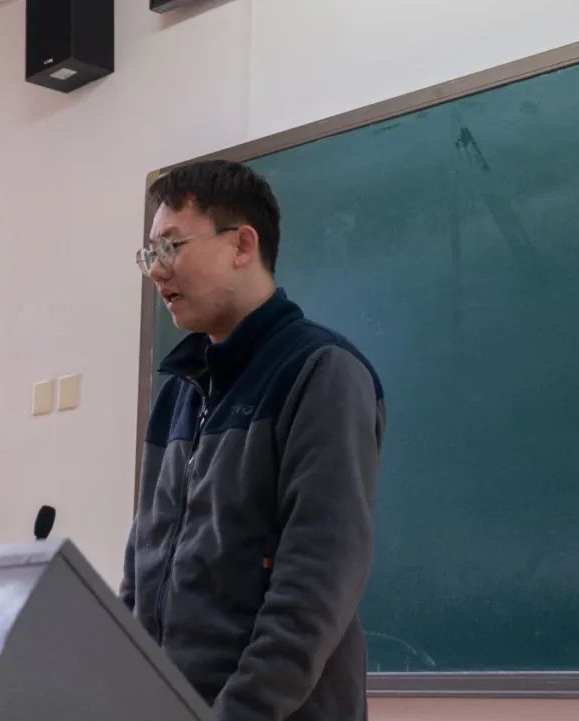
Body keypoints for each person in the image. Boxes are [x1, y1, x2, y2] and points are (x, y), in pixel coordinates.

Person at [120, 159, 385, 721]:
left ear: (242, 244)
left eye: (170, 247)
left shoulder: (320, 372)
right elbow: (141, 570)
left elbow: (315, 584)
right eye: (150, 254)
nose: (156, 271)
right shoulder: (177, 394)